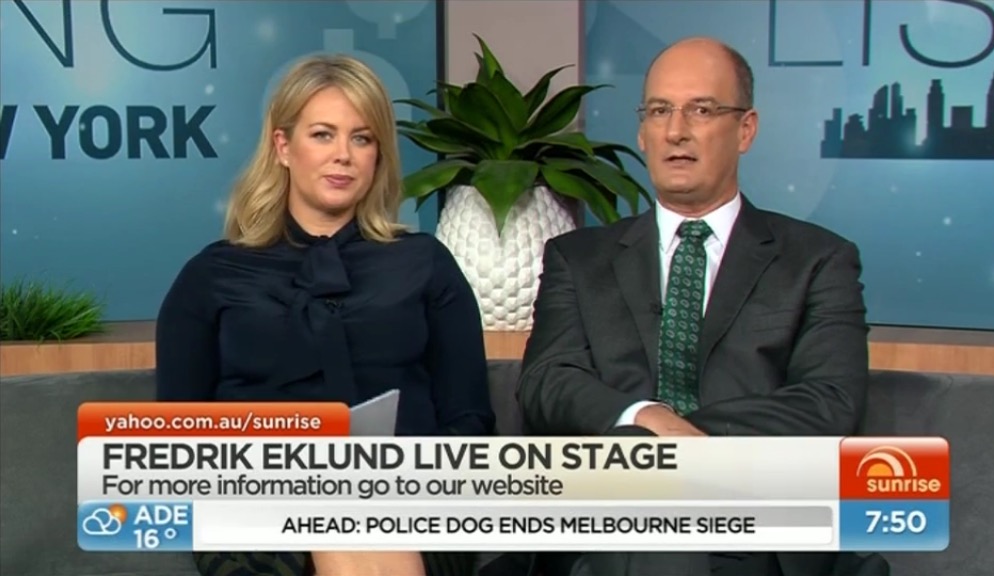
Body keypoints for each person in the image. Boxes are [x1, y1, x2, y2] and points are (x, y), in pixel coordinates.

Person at [517, 37, 891, 576]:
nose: (676, 130)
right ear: (642, 133)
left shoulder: (817, 260)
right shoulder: (577, 258)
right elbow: (546, 381)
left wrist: (680, 444)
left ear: (746, 130)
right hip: (605, 527)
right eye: (659, 111)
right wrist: (641, 423)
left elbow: (829, 399)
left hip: (751, 524)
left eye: (701, 110)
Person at [156, 54, 495, 576]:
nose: (343, 155)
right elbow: (177, 440)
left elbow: (468, 419)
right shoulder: (212, 275)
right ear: (283, 146)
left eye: (362, 138)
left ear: (378, 155)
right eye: (322, 135)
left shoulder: (425, 263)